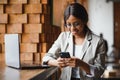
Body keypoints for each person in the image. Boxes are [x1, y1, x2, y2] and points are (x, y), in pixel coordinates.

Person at [42, 3, 107, 80]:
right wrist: (57, 62)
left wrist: (81, 64)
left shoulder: (98, 42)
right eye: (68, 24)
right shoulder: (63, 37)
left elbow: (99, 71)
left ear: (84, 21)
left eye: (77, 24)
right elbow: (46, 58)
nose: (72, 28)